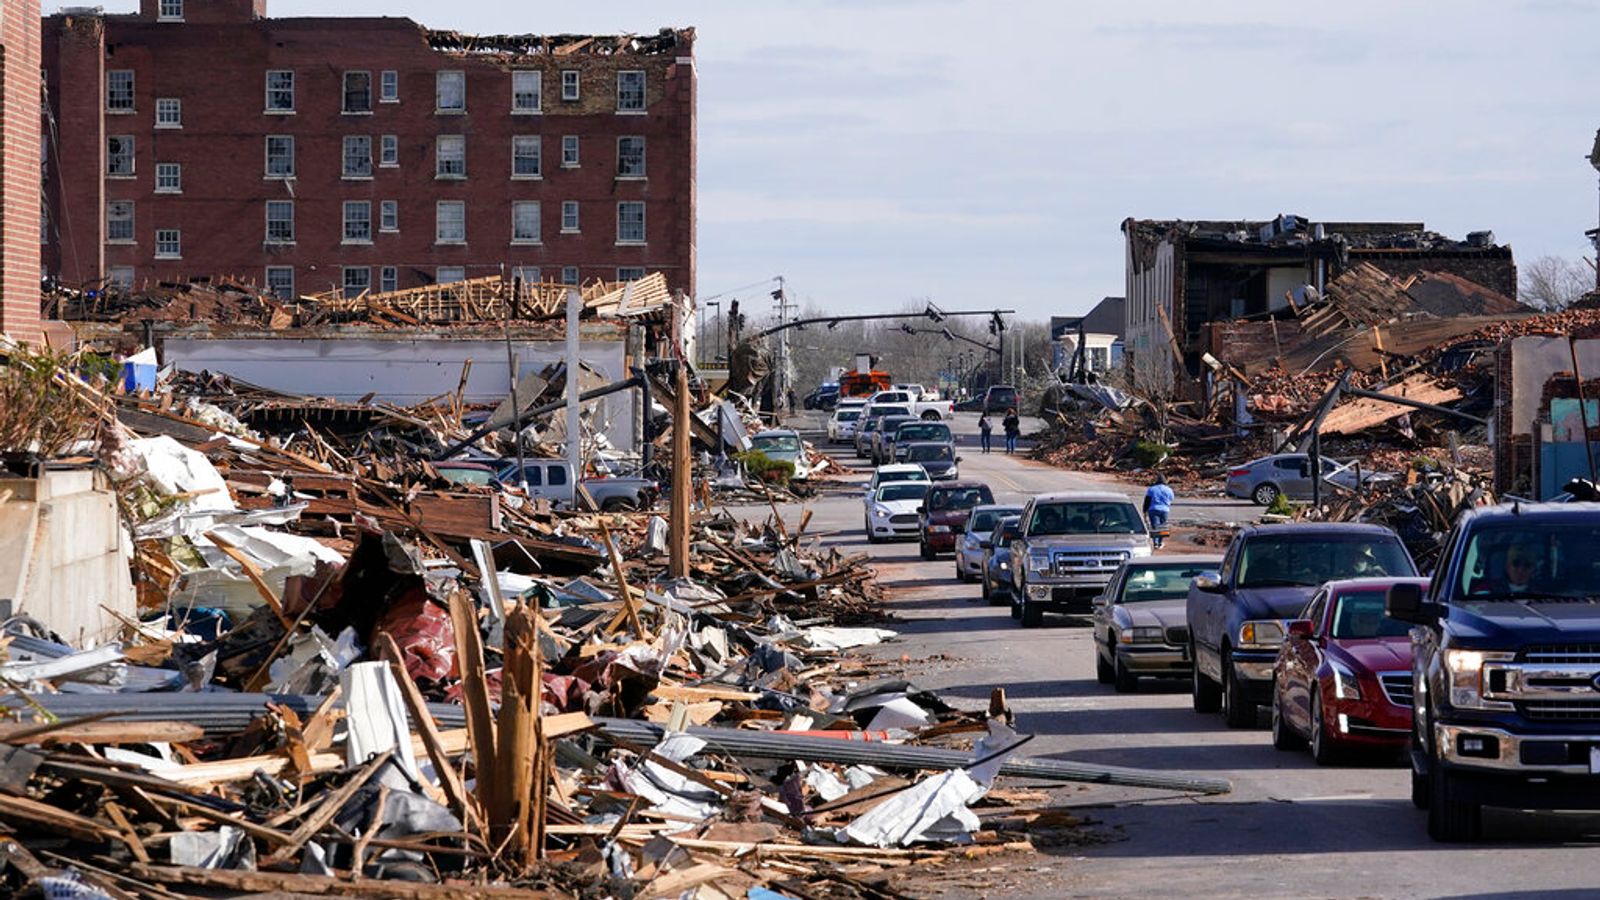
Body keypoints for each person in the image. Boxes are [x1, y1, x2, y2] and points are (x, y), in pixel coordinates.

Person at [1143, 474, 1174, 547]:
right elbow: (1171, 499)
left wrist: (1144, 511)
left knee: (1155, 526)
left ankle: (1155, 543)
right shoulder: (1169, 490)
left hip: (1153, 509)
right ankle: (1160, 542)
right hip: (1165, 509)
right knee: (1162, 526)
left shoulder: (1151, 489)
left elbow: (1147, 501)